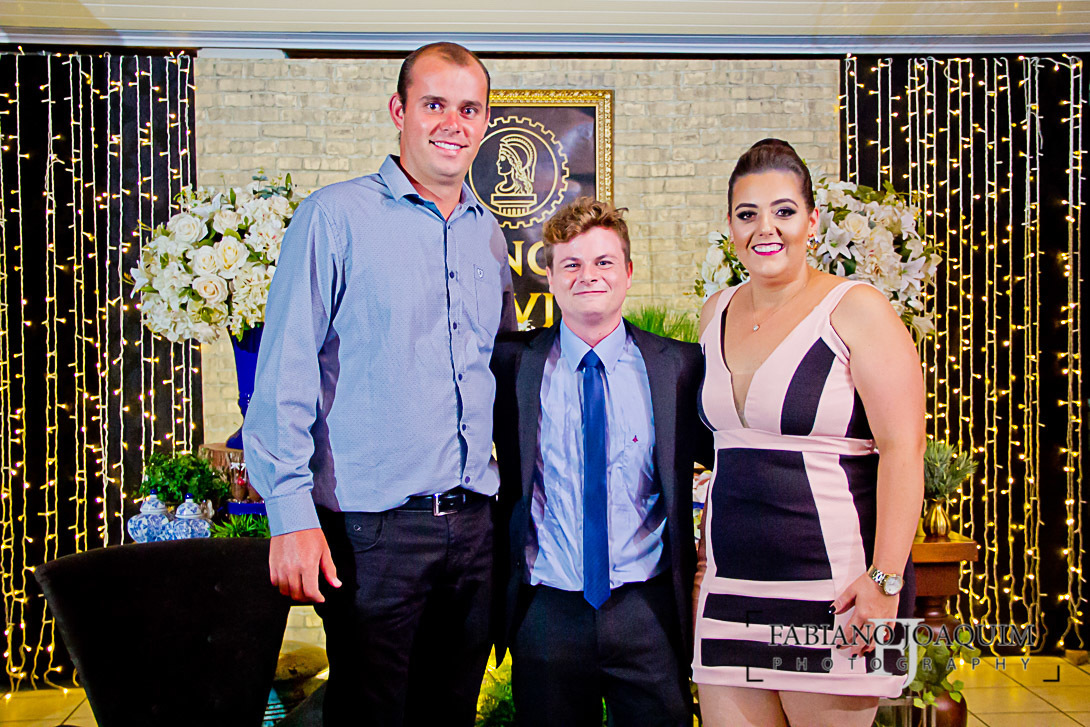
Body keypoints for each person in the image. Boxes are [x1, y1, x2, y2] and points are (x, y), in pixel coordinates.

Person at [243, 42, 515, 727]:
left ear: (485, 122)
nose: (453, 123)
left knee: (450, 715)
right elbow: (284, 370)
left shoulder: (488, 235)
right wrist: (290, 512)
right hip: (373, 535)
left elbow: (498, 372)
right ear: (399, 110)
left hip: (473, 528)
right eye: (434, 104)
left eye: (469, 109)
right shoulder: (334, 217)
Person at [691, 139, 924, 727]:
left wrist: (884, 583)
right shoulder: (714, 312)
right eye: (748, 214)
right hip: (729, 590)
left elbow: (904, 450)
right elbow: (722, 455)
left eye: (784, 211)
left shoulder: (858, 308)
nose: (765, 228)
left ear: (812, 221)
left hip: (838, 592)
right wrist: (699, 567)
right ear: (730, 227)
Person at [491, 197, 713, 727]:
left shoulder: (679, 367)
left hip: (648, 611)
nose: (587, 275)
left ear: (628, 272)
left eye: (603, 262)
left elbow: (729, 462)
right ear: (550, 277)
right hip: (547, 611)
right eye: (570, 263)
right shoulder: (512, 365)